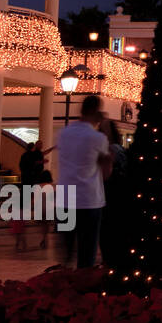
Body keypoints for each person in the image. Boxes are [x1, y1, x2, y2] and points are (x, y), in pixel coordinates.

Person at [55, 95, 112, 268]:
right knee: (86, 253)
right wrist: (105, 128)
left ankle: (62, 287)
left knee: (65, 253)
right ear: (96, 112)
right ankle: (82, 289)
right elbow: (106, 172)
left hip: (65, 198)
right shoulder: (97, 138)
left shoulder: (63, 134)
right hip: (89, 199)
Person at [99, 119, 131, 271]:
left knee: (106, 231)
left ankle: (109, 263)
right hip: (118, 196)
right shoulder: (119, 149)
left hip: (108, 195)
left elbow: (105, 175)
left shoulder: (111, 150)